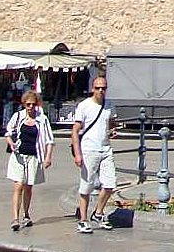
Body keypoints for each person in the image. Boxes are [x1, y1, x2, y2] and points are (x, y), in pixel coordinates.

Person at [71, 75, 118, 233]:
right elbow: (75, 131)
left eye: (103, 88)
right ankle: (83, 220)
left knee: (110, 184)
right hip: (89, 149)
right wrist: (78, 154)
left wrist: (112, 130)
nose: (100, 91)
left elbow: (111, 122)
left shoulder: (109, 105)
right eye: (97, 88)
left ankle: (98, 213)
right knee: (86, 185)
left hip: (105, 148)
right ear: (92, 88)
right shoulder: (84, 106)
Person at [5, 92, 54, 231]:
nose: (31, 107)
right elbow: (8, 132)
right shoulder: (18, 116)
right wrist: (11, 143)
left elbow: (50, 140)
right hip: (19, 156)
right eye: (28, 104)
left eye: (33, 104)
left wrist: (48, 157)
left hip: (34, 157)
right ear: (24, 104)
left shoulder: (42, 119)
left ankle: (26, 214)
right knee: (18, 186)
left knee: (28, 187)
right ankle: (15, 218)